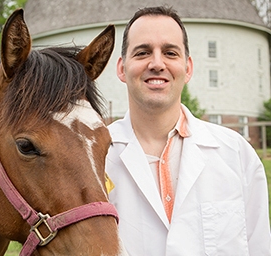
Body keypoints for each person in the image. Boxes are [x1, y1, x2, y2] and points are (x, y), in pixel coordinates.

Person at [106, 5, 271, 255]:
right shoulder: (97, 160)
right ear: (121, 68)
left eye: (170, 52)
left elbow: (260, 247)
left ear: (188, 68)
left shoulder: (236, 155)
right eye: (142, 52)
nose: (157, 63)